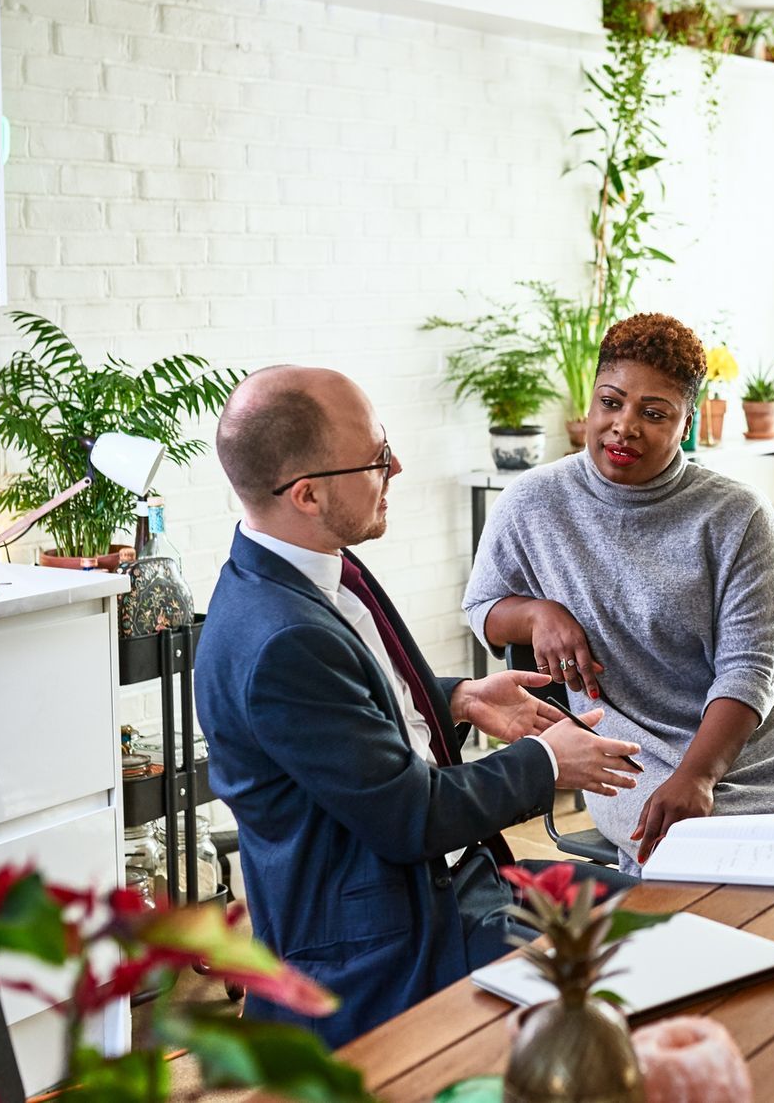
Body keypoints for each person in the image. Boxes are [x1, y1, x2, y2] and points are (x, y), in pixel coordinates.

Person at [197, 366, 641, 1047]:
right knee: (640, 967)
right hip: (387, 942)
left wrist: (457, 698)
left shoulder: (310, 568)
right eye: (377, 459)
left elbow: (351, 719)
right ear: (308, 495)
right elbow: (412, 816)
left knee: (656, 913)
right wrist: (546, 764)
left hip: (459, 882)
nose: (397, 466)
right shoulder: (283, 638)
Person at [464, 313, 774, 870]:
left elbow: (749, 669)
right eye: (611, 402)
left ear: (687, 421)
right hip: (635, 752)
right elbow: (481, 609)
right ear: (592, 401)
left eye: (654, 413)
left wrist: (700, 775)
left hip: (764, 732)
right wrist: (536, 614)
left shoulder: (737, 515)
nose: (625, 426)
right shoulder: (531, 503)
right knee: (717, 865)